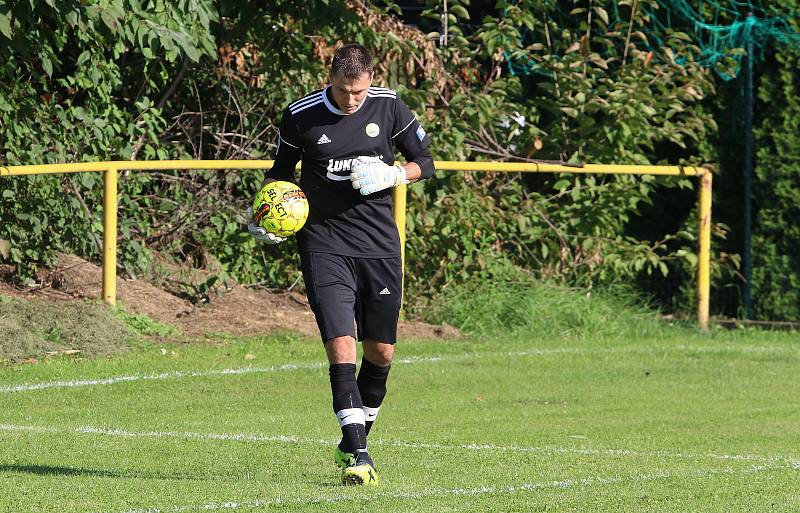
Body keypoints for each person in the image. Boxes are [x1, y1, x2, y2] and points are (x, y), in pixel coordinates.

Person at [245, 44, 434, 486]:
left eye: (359, 91)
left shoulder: (388, 105)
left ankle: (353, 438)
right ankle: (360, 456)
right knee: (341, 345)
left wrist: (396, 174)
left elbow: (425, 162)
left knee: (381, 352)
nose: (352, 99)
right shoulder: (301, 114)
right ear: (330, 78)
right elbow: (279, 173)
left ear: (371, 80)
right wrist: (266, 213)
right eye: (345, 90)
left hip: (379, 245)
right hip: (323, 244)